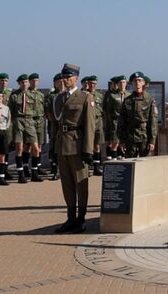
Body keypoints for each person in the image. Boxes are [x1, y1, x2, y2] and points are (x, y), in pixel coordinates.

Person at [52, 63, 95, 233]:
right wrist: (53, 149)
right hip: (62, 146)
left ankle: (81, 219)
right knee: (67, 185)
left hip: (77, 146)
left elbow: (90, 126)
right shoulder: (59, 98)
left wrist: (88, 150)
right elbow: (56, 124)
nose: (65, 80)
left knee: (81, 184)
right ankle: (70, 218)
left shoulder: (85, 98)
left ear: (76, 78)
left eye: (68, 77)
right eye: (63, 77)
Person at [9, 74, 45, 182]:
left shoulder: (32, 95)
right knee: (19, 147)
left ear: (28, 83)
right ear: (19, 83)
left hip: (30, 121)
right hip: (18, 120)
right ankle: (21, 174)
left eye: (26, 82)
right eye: (22, 82)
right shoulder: (14, 95)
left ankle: (34, 172)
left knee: (35, 147)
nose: (24, 84)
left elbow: (36, 109)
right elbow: (10, 111)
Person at [118, 71, 158, 158]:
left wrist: (152, 140)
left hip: (144, 136)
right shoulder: (127, 100)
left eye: (139, 80)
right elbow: (122, 121)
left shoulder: (149, 99)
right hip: (130, 136)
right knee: (130, 162)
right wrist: (122, 140)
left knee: (146, 163)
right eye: (135, 81)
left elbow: (153, 121)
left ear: (143, 82)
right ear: (132, 83)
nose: (137, 83)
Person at [44, 73, 64, 180]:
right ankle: (55, 170)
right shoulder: (51, 96)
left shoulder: (68, 95)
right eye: (59, 81)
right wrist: (56, 121)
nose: (61, 83)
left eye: (62, 81)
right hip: (54, 126)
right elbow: (47, 112)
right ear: (55, 83)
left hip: (66, 126)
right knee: (54, 148)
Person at [28, 73, 48, 176]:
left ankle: (38, 166)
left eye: (36, 81)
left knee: (39, 145)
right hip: (30, 120)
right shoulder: (26, 93)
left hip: (40, 120)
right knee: (30, 146)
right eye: (33, 81)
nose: (35, 82)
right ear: (30, 82)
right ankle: (28, 168)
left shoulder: (41, 95)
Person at [84, 76, 105, 175]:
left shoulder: (99, 96)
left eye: (95, 84)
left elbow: (103, 109)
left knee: (97, 145)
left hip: (98, 120)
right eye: (91, 83)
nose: (93, 85)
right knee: (88, 145)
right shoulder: (84, 94)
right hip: (88, 121)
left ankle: (96, 167)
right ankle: (87, 167)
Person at [104, 75, 128, 160]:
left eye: (124, 82)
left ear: (126, 83)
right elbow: (108, 110)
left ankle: (122, 159)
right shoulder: (112, 95)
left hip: (125, 123)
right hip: (115, 122)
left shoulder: (129, 95)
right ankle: (113, 160)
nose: (122, 84)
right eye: (120, 82)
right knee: (115, 142)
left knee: (124, 143)